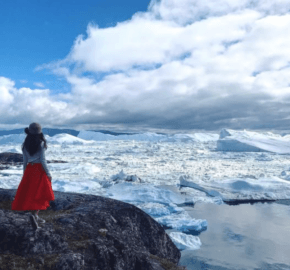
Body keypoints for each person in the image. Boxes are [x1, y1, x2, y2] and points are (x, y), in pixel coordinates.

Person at [11, 123, 55, 229]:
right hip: (39, 170)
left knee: (30, 193)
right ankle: (35, 215)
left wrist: (24, 173)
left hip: (29, 170)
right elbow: (43, 160)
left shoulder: (25, 144)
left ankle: (34, 216)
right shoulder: (41, 143)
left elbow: (25, 161)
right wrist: (48, 174)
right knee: (39, 193)